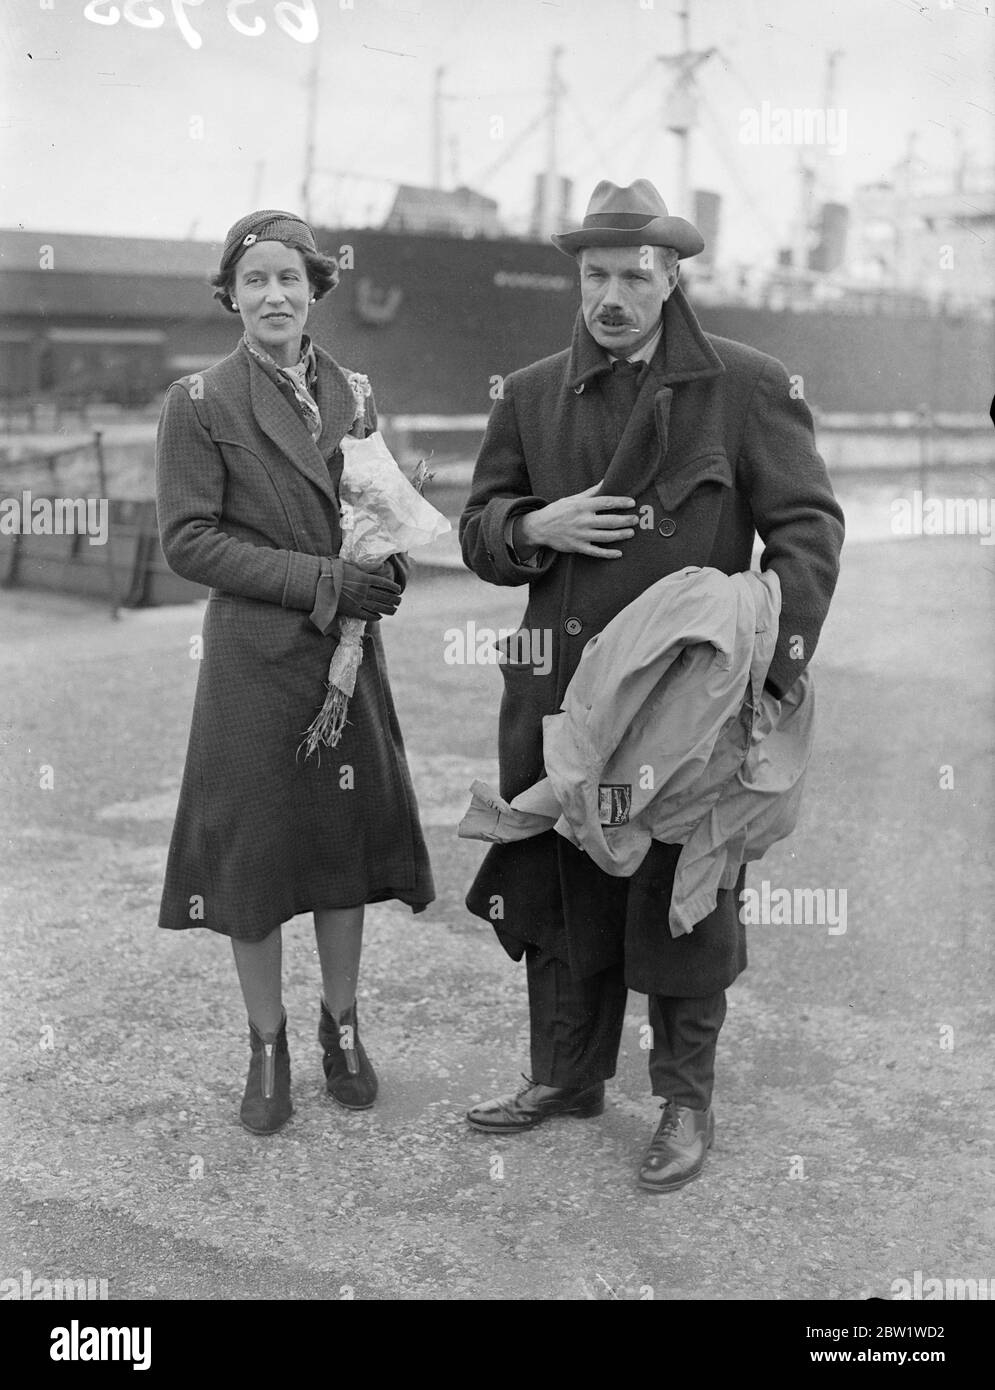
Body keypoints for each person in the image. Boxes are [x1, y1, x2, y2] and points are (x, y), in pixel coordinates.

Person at [459, 179, 844, 1192]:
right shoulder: (532, 391)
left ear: (671, 278)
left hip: (682, 712)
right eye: (595, 275)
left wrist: (767, 672)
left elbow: (807, 530)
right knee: (560, 889)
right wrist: (528, 529)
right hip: (563, 703)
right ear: (576, 278)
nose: (613, 296)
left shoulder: (746, 386)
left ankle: (682, 1099)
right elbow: (477, 526)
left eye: (635, 275)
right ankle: (564, 1077)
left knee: (683, 898)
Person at [155, 209, 434, 1136]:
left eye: (290, 279)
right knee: (255, 862)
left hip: (345, 661)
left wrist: (386, 563)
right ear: (230, 296)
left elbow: (373, 502)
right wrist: (326, 580)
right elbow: (189, 542)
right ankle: (266, 1044)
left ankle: (340, 1026)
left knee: (341, 854)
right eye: (255, 279)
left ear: (316, 289)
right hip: (255, 662)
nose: (274, 294)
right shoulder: (197, 402)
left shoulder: (355, 390)